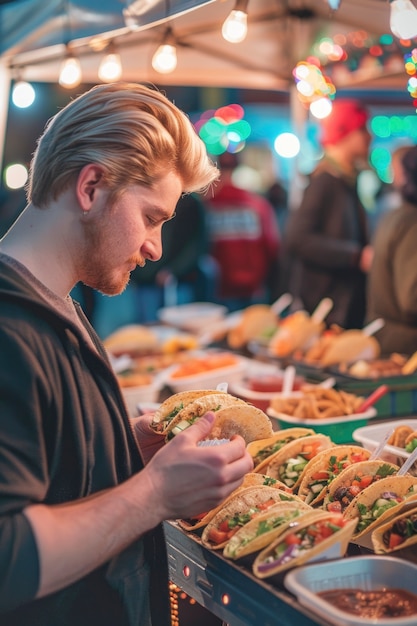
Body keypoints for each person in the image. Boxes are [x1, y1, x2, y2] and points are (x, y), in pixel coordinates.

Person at [0, 82, 254, 626]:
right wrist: (153, 494)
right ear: (91, 186)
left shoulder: (53, 304)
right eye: (152, 217)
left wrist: (120, 455)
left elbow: (50, 480)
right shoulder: (9, 328)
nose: (156, 247)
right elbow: (8, 555)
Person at [285, 99, 374, 329]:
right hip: (325, 309)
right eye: (362, 128)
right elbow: (298, 239)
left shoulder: (347, 179)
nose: (369, 136)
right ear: (344, 133)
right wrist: (356, 256)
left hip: (340, 304)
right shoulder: (325, 181)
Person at [205, 151, 281, 312]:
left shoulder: (208, 205)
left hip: (220, 288)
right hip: (254, 285)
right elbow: (272, 245)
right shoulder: (256, 204)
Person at [130, 192, 217, 322]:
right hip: (144, 278)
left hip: (178, 281)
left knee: (179, 327)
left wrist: (173, 270)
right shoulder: (146, 196)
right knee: (148, 326)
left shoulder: (191, 203)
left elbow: (197, 245)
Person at [367, 144, 417, 355]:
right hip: (403, 350)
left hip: (390, 342)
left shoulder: (398, 215)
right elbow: (412, 299)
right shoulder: (411, 221)